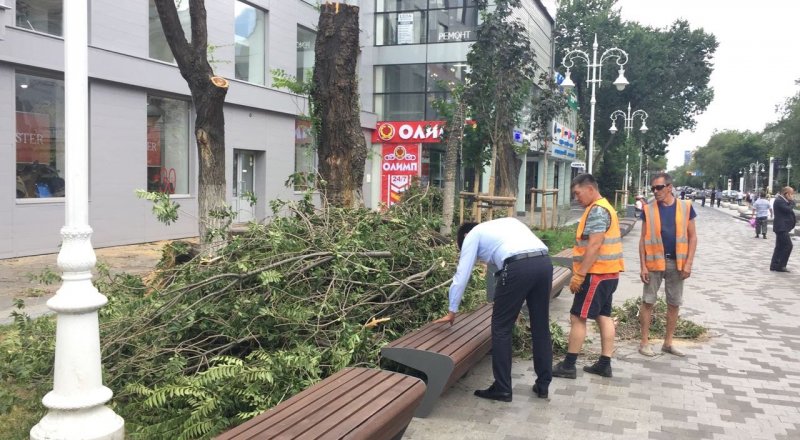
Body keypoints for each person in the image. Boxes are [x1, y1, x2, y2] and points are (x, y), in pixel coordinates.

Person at [434, 217, 553, 401]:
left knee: (501, 327)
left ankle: (502, 388)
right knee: (540, 326)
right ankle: (543, 385)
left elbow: (462, 274)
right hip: (544, 263)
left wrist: (452, 309)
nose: (479, 259)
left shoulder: (473, 235)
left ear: (465, 236)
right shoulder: (505, 224)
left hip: (517, 266)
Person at [552, 174, 624, 379]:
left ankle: (568, 365)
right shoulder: (606, 206)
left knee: (577, 317)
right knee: (603, 316)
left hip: (596, 274)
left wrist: (580, 275)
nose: (576, 198)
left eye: (577, 193)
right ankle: (604, 363)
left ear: (590, 189)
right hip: (610, 273)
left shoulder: (597, 211)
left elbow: (594, 245)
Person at [638, 173, 698, 357]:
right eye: (653, 188)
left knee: (674, 303)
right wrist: (643, 266)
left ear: (669, 187)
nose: (655, 192)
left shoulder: (686, 207)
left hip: (677, 263)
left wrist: (688, 263)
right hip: (654, 262)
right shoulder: (648, 209)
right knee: (648, 301)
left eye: (659, 187)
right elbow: (642, 239)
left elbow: (692, 237)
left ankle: (668, 343)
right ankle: (644, 342)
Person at [770, 186, 797, 272]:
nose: (792, 196)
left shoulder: (783, 201)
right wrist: (792, 201)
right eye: (791, 194)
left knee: (779, 246)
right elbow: (788, 210)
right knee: (788, 245)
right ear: (786, 194)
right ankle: (781, 266)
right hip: (781, 227)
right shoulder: (779, 201)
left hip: (782, 227)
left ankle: (774, 265)